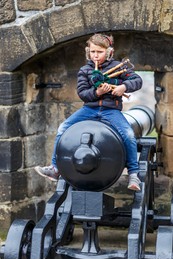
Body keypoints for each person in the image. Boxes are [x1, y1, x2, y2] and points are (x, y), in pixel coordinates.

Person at [35, 33, 143, 191]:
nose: (96, 56)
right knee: (63, 128)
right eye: (93, 52)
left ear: (108, 52)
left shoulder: (119, 67)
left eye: (99, 52)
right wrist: (98, 93)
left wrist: (123, 87)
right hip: (89, 109)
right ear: (88, 52)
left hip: (110, 110)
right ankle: (55, 168)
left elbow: (137, 81)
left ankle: (133, 174)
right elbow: (83, 93)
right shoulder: (85, 70)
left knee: (128, 135)